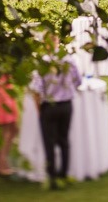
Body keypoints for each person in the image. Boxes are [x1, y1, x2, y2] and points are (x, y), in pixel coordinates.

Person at [30, 42, 83, 189]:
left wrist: (39, 110)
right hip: (66, 105)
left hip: (49, 106)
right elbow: (78, 81)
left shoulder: (43, 63)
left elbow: (36, 89)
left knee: (49, 142)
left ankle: (52, 176)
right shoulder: (69, 59)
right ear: (57, 42)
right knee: (64, 140)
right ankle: (63, 174)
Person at [0, 72, 19, 176]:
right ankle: (0, 163)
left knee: (13, 130)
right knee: (5, 131)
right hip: (3, 94)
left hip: (7, 92)